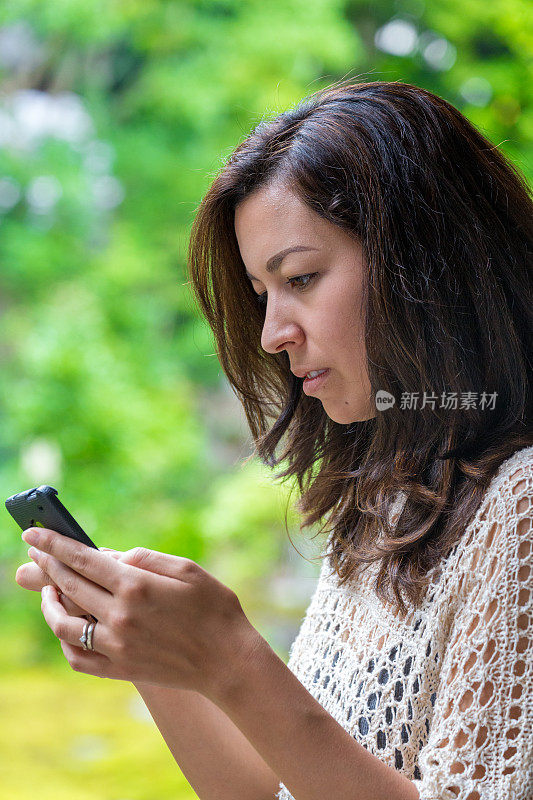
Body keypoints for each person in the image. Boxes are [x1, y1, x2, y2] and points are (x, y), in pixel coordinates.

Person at [16, 80, 533, 800]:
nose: (271, 334)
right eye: (263, 295)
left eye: (302, 278)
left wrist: (234, 660)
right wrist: (166, 659)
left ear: (429, 262)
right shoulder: (386, 502)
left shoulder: (520, 508)